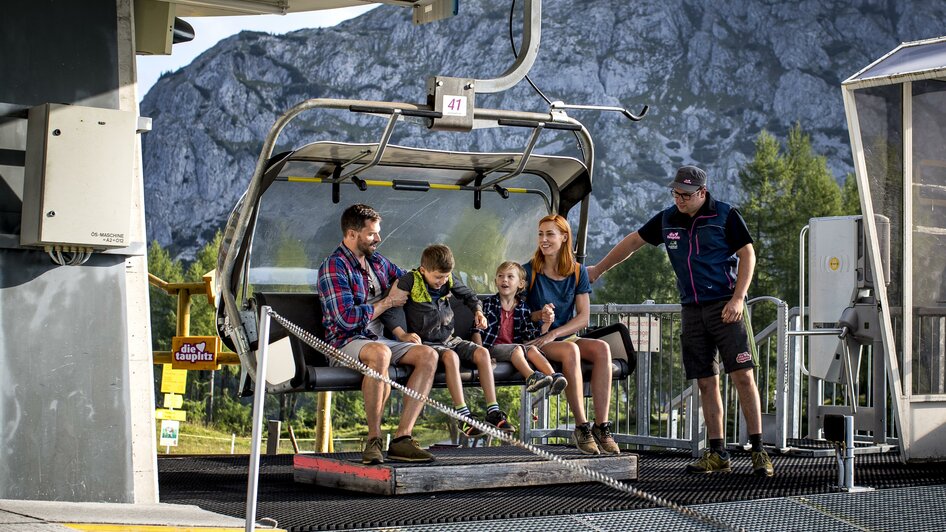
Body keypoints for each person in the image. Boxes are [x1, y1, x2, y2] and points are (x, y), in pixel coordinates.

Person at [587, 165, 774, 477]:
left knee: (743, 376)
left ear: (702, 192)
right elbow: (633, 242)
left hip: (726, 306)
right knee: (705, 381)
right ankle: (717, 453)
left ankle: (758, 451)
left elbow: (748, 255)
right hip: (692, 310)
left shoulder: (726, 215)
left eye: (686, 195)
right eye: (675, 193)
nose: (679, 200)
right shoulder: (667, 218)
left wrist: (739, 298)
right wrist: (599, 269)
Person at [317, 204, 438, 465]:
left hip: (382, 338)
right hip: (345, 341)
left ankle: (402, 439)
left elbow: (409, 278)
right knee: (380, 353)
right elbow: (345, 319)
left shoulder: (377, 261)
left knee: (428, 355)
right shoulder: (334, 267)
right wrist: (385, 303)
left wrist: (401, 328)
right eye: (372, 234)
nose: (378, 239)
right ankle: (373, 440)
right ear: (352, 234)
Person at [382, 244, 517, 436]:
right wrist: (402, 334)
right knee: (451, 357)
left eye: (445, 276)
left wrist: (478, 312)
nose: (442, 281)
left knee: (482, 353)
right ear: (423, 270)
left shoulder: (449, 280)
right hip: (427, 344)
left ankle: (493, 411)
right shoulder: (410, 281)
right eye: (438, 277)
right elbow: (391, 310)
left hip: (449, 338)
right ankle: (462, 414)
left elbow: (470, 296)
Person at [521, 215, 621, 455]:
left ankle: (602, 426)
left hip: (559, 336)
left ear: (564, 237)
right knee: (571, 350)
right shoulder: (530, 271)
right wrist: (541, 320)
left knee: (602, 349)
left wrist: (556, 332)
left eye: (550, 234)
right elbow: (518, 312)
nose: (544, 240)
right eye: (541, 234)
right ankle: (581, 426)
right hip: (537, 339)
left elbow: (583, 317)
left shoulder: (577, 272)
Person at [474, 261, 569, 395]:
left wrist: (546, 325)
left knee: (532, 350)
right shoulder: (488, 305)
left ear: (521, 284)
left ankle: (554, 377)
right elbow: (476, 331)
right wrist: (482, 354)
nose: (504, 280)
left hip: (516, 348)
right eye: (500, 276)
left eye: (510, 277)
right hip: (493, 349)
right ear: (495, 281)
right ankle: (531, 377)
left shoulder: (523, 308)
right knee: (518, 348)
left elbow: (529, 335)